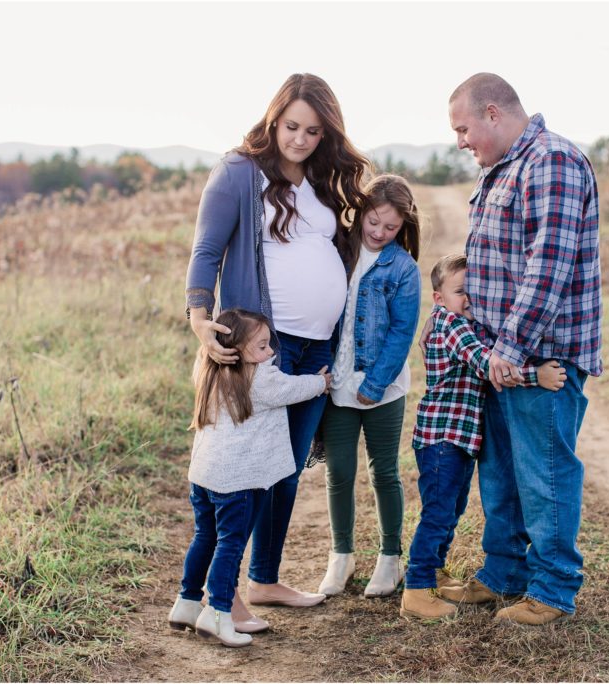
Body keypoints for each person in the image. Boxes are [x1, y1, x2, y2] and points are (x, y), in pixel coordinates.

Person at [185, 73, 369, 614]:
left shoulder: (318, 178)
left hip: (317, 348)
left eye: (313, 131)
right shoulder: (238, 171)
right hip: (270, 346)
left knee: (284, 469)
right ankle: (227, 592)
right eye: (291, 126)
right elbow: (206, 249)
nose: (300, 140)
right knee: (247, 471)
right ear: (273, 118)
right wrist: (199, 316)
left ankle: (264, 579)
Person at [445, 73, 602, 625]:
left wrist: (509, 349)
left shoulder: (551, 162)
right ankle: (504, 573)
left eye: (464, 128)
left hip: (539, 356)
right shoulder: (501, 169)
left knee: (545, 474)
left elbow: (547, 269)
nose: (461, 141)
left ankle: (554, 591)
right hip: (502, 358)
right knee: (502, 472)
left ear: (493, 112)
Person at [400, 255, 567, 619]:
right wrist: (535, 375)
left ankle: (433, 573)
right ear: (439, 298)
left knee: (450, 510)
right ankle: (415, 589)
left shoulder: (453, 321)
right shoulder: (454, 326)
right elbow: (487, 364)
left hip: (455, 440)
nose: (470, 299)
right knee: (439, 514)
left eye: (473, 291)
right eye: (461, 292)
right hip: (443, 438)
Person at [166, 309, 333, 648]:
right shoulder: (261, 379)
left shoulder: (206, 369)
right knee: (230, 547)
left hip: (204, 476)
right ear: (236, 350)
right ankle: (217, 615)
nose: (271, 353)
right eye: (261, 347)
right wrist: (322, 382)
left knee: (205, 537)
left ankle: (185, 603)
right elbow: (293, 389)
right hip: (238, 484)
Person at [315, 175, 422, 598]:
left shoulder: (403, 269)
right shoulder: (339, 253)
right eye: (373, 222)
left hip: (382, 386)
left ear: (402, 228)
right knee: (339, 471)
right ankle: (341, 555)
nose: (379, 233)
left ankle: (390, 558)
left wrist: (376, 383)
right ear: (361, 214)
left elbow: (401, 332)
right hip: (337, 381)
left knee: (384, 471)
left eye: (390, 228)